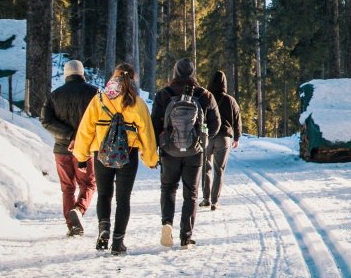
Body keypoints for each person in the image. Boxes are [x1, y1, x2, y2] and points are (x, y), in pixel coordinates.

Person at [72, 63, 158, 256]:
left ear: (114, 77)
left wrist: (82, 156)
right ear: (133, 79)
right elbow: (147, 134)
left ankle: (104, 229)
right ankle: (118, 242)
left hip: (102, 155)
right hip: (128, 155)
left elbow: (85, 129)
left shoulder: (99, 100)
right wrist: (151, 159)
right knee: (123, 199)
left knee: (104, 195)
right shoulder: (137, 103)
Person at [152, 59, 220, 249]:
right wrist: (202, 138)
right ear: (193, 73)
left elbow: (154, 123)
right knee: (191, 193)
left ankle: (167, 223)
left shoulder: (164, 94)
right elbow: (216, 124)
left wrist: (161, 142)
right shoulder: (204, 95)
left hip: (169, 151)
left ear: (175, 73)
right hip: (195, 152)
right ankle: (186, 236)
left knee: (168, 188)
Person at [40, 59, 99, 236]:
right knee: (88, 184)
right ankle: (79, 210)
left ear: (66, 75)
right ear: (82, 73)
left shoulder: (54, 95)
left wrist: (67, 135)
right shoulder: (94, 93)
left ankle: (71, 225)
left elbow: (45, 120)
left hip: (61, 149)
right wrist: (80, 136)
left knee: (67, 188)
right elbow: (102, 119)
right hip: (85, 149)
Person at [200, 70, 241, 211]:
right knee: (219, 170)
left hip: (207, 136)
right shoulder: (230, 100)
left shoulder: (205, 97)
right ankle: (214, 201)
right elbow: (237, 120)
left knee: (206, 167)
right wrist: (236, 137)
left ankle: (205, 198)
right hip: (224, 138)